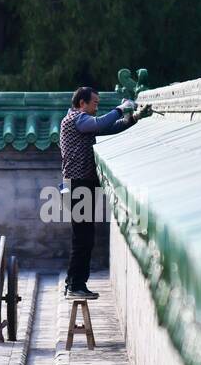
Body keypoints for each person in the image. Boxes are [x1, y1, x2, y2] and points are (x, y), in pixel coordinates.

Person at [58, 86, 141, 299]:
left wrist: (134, 118)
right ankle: (76, 285)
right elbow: (101, 123)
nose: (97, 107)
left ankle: (72, 283)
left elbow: (110, 128)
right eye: (94, 103)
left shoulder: (82, 122)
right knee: (83, 238)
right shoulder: (78, 119)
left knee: (83, 237)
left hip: (79, 184)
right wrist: (121, 108)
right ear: (82, 103)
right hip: (78, 185)